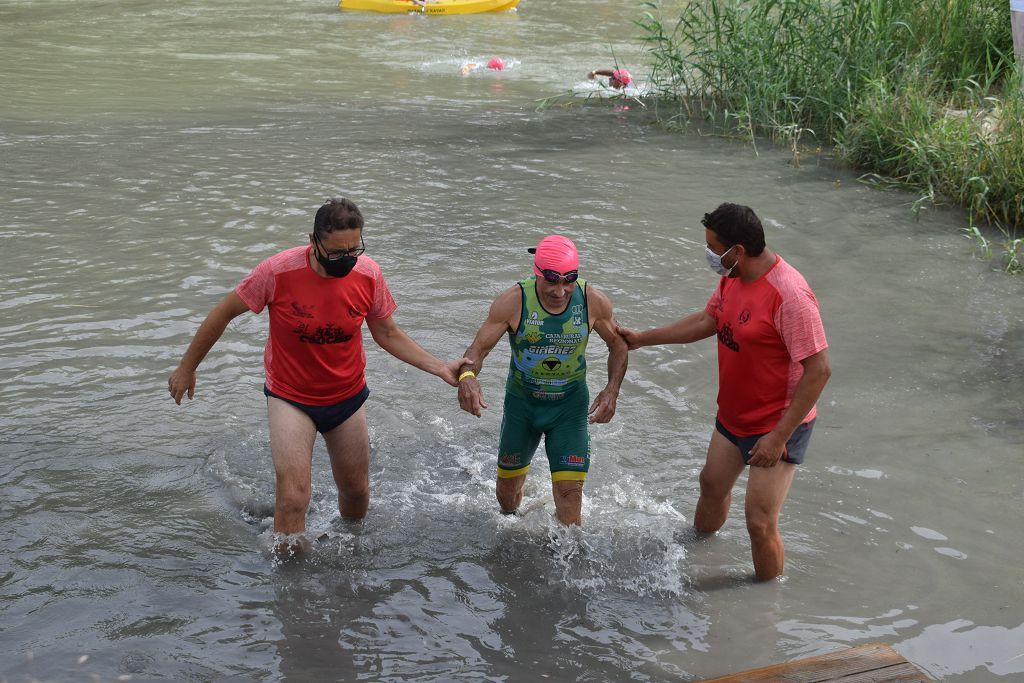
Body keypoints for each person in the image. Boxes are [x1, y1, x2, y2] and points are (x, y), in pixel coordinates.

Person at [168, 198, 467, 553]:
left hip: (347, 396)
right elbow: (223, 313)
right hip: (291, 398)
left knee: (356, 494)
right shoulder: (276, 272)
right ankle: (289, 583)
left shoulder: (368, 274)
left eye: (353, 251)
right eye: (337, 253)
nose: (346, 261)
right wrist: (187, 367)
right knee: (294, 496)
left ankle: (352, 561)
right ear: (314, 240)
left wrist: (439, 367)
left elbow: (387, 333)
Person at [617, 203, 830, 581]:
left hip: (778, 425)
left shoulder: (790, 296)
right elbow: (708, 320)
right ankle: (697, 554)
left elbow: (819, 371)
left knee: (759, 522)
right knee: (711, 486)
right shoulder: (732, 278)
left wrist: (778, 436)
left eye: (714, 247)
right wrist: (641, 340)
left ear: (739, 250)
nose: (710, 255)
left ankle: (765, 601)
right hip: (734, 415)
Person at [456, 235, 627, 526]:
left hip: (570, 409)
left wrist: (612, 391)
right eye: (552, 281)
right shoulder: (513, 302)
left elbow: (619, 344)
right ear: (537, 273)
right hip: (523, 406)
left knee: (570, 497)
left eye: (569, 281)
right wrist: (468, 376)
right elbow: (478, 349)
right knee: (507, 500)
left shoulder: (592, 301)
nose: (560, 291)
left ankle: (567, 564)